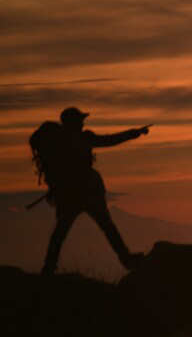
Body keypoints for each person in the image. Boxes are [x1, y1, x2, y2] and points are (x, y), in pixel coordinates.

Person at [37, 107, 152, 277]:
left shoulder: (58, 142)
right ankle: (127, 260)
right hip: (88, 192)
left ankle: (49, 267)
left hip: (68, 194)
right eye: (80, 120)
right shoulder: (84, 139)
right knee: (107, 227)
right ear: (73, 123)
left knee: (60, 232)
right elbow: (110, 140)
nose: (83, 123)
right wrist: (136, 132)